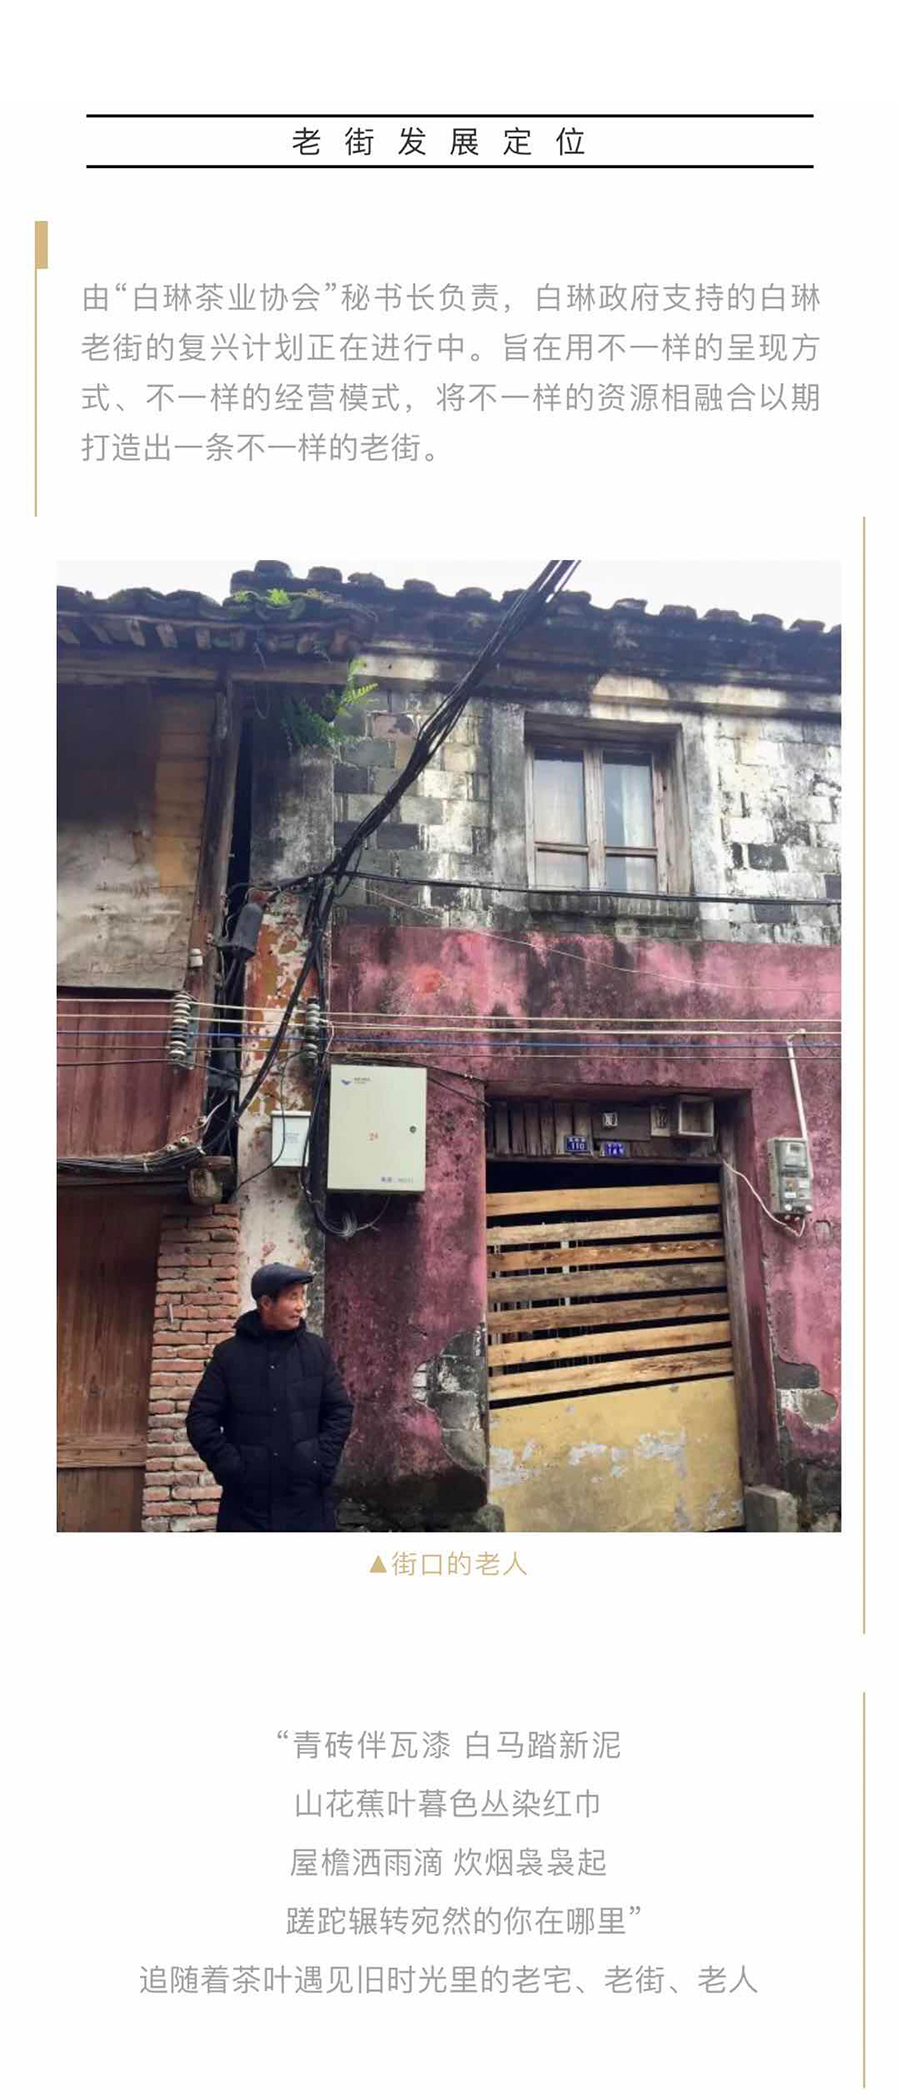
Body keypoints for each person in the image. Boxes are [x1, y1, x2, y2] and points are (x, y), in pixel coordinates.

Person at [186, 1262, 353, 1532]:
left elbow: (340, 1411)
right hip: (246, 1507)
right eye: (292, 1297)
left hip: (307, 1502)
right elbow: (200, 1420)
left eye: (302, 1297)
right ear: (266, 1302)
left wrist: (319, 1462)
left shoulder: (316, 1351)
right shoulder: (229, 1356)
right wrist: (232, 1468)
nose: (301, 1306)